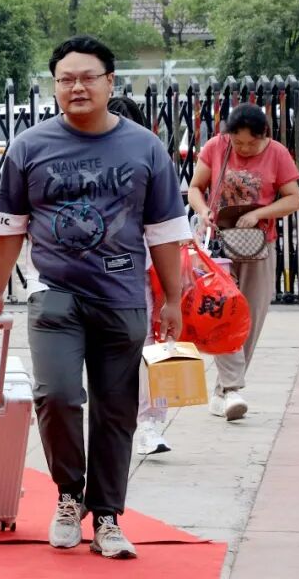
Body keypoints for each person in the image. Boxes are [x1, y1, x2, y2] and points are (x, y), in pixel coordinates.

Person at [0, 36, 189, 560]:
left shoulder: (145, 147)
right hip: (54, 295)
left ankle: (109, 515)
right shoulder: (29, 147)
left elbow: (166, 231)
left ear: (109, 82)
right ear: (54, 86)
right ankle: (69, 495)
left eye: (88, 77)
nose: (77, 87)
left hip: (122, 297)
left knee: (116, 411)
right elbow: (8, 227)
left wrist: (172, 299)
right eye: (66, 79)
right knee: (57, 396)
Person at [187, 102, 299, 421]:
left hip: (258, 247)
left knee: (249, 318)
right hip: (219, 245)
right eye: (238, 142)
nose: (244, 149)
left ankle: (224, 392)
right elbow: (195, 188)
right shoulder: (216, 147)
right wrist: (203, 211)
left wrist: (259, 213)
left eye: (251, 143)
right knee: (222, 312)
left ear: (264, 135)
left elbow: (294, 199)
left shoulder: (277, 153)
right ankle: (233, 388)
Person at [106, 97, 172, 456]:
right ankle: (119, 424)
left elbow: (167, 224)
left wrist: (171, 293)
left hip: (140, 271)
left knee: (150, 347)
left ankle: (150, 424)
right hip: (92, 275)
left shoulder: (151, 160)